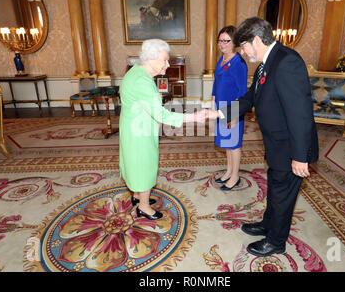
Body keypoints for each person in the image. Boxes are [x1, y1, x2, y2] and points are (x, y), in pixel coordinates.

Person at [208, 17, 318, 257]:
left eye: (244, 47)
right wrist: (220, 112)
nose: (243, 53)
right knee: (275, 188)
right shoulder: (264, 64)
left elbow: (301, 114)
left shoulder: (287, 62)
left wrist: (300, 157)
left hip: (291, 147)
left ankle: (276, 241)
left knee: (283, 194)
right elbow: (250, 98)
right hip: (276, 145)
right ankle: (268, 224)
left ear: (256, 40)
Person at [119, 39, 206, 220]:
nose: (168, 64)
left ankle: (137, 197)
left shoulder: (134, 72)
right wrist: (194, 117)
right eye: (165, 60)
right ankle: (143, 207)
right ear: (150, 59)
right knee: (144, 164)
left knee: (134, 162)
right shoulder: (143, 82)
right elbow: (162, 116)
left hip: (131, 126)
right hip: (140, 132)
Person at [211, 26, 248, 190]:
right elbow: (217, 81)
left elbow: (242, 92)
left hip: (233, 108)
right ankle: (228, 171)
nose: (221, 43)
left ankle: (235, 176)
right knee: (226, 142)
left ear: (235, 42)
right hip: (221, 107)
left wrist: (234, 115)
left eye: (226, 40)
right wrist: (213, 99)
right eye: (220, 40)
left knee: (234, 144)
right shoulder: (222, 59)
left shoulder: (239, 63)